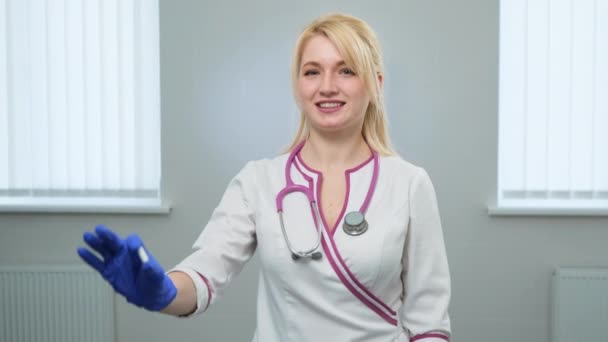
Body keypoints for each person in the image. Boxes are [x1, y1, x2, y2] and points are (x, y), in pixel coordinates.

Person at [77, 13, 451, 342]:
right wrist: (162, 292)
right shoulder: (259, 182)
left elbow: (429, 323)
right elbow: (206, 272)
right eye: (312, 71)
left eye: (347, 70)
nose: (327, 86)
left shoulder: (409, 185)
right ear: (298, 86)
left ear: (375, 84)